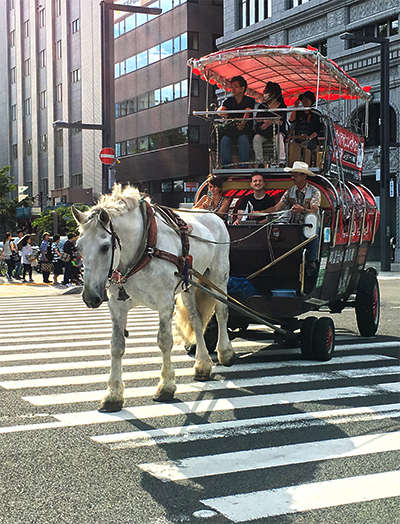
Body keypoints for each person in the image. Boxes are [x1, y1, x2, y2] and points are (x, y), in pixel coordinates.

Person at [264, 161, 321, 271]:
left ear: (303, 176)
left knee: (313, 232)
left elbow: (314, 211)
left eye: (295, 174)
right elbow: (277, 208)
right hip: (293, 225)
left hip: (309, 225)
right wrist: (261, 213)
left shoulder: (314, 192)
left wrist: (302, 210)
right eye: (293, 174)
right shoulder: (290, 191)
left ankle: (312, 261)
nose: (292, 177)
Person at [217, 75, 255, 166]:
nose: (233, 89)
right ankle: (226, 166)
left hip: (245, 129)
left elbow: (247, 112)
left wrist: (242, 123)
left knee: (243, 139)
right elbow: (220, 110)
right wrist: (223, 114)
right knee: (225, 140)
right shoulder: (228, 100)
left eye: (235, 87)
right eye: (232, 87)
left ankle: (244, 165)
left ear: (242, 89)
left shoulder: (249, 100)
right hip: (231, 129)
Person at [253, 82, 287, 168]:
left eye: (267, 92)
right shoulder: (262, 106)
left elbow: (281, 122)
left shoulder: (282, 106)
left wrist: (269, 122)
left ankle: (281, 161)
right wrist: (270, 121)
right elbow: (258, 120)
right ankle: (260, 162)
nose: (265, 94)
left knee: (278, 138)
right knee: (256, 138)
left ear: (274, 93)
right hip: (264, 133)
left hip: (277, 132)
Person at [288, 91, 323, 167]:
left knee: (308, 147)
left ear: (311, 101)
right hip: (298, 138)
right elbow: (291, 120)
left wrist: (309, 137)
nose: (304, 101)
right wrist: (295, 107)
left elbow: (319, 129)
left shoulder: (316, 114)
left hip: (311, 139)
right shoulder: (298, 112)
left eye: (307, 99)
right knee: (292, 146)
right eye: (303, 100)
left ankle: (308, 165)